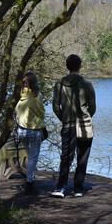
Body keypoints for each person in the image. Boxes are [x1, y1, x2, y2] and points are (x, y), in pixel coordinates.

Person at [51, 54, 96, 198]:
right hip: (84, 125)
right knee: (82, 157)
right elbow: (93, 107)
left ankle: (61, 188)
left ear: (67, 66)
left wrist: (64, 118)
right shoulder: (87, 84)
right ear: (80, 66)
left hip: (68, 125)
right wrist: (86, 116)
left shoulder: (60, 84)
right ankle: (78, 188)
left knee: (66, 157)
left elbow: (55, 106)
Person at [15, 72, 46, 195]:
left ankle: (30, 179)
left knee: (29, 155)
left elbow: (17, 113)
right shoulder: (36, 96)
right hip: (33, 130)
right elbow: (41, 113)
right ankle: (29, 183)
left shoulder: (20, 96)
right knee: (33, 157)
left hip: (21, 131)